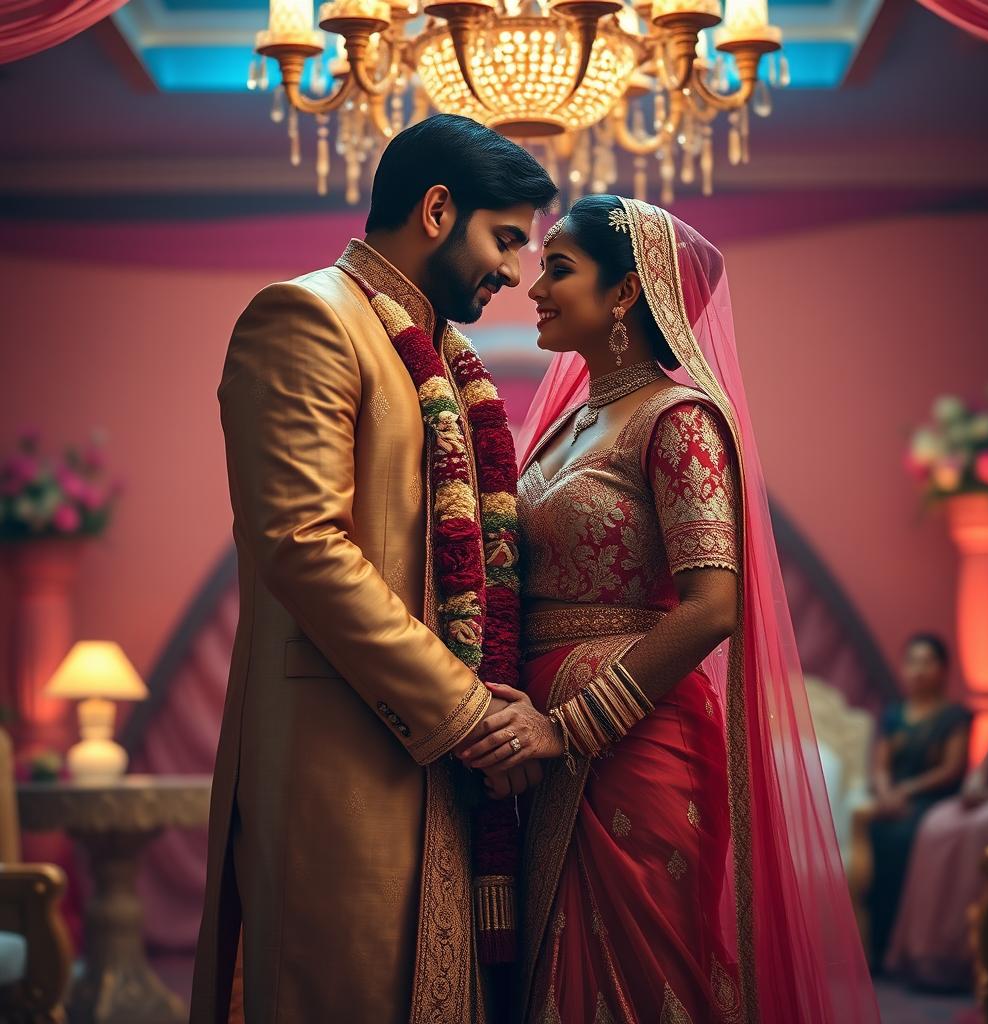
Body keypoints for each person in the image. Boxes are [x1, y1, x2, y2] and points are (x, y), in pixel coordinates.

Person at [457, 195, 879, 1023]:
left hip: (631, 743)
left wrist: (569, 727)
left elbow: (712, 607)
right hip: (539, 745)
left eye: (560, 269)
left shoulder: (678, 420)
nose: (535, 288)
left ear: (624, 294)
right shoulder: (563, 426)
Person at [189, 114, 557, 1024]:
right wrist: (468, 710)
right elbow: (302, 545)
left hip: (437, 758)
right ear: (438, 209)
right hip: (340, 755)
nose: (515, 271)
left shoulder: (448, 358)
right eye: (505, 238)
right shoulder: (307, 317)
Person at [887, 645, 988, 988]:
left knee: (980, 826)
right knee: (937, 823)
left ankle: (965, 954)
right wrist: (973, 786)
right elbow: (985, 768)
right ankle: (923, 951)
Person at [865, 632, 973, 969]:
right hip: (893, 800)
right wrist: (884, 793)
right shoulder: (894, 714)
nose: (918, 669)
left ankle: (905, 948)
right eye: (912, 661)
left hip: (932, 801)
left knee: (903, 838)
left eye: (927, 662)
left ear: (943, 669)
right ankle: (874, 947)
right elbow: (880, 765)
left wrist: (906, 792)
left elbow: (952, 770)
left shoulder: (954, 716)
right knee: (870, 836)